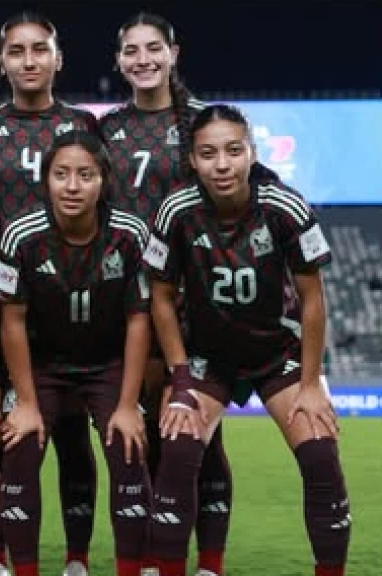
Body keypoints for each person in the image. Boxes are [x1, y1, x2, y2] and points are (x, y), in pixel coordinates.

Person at [143, 104, 351, 576]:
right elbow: (160, 298)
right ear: (193, 160)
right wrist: (179, 379)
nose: (222, 164)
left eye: (233, 151)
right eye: (208, 153)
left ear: (251, 153)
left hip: (276, 355)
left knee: (321, 452)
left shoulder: (284, 206)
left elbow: (312, 299)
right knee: (177, 450)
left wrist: (313, 382)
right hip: (208, 357)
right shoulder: (176, 211)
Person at [0, 13, 99, 575]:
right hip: (1, 305)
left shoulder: (84, 124)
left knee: (71, 435)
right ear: (2, 62)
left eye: (39, 49)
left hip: (69, 303)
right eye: (16, 51)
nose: (28, 60)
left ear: (57, 59)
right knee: (4, 437)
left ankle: (76, 558)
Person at [99, 14, 231, 576]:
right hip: (126, 293)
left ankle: (207, 561)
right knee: (147, 429)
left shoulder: (204, 121)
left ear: (174, 53)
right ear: (119, 60)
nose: (143, 59)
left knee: (199, 435)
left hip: (192, 297)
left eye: (154, 48)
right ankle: (154, 554)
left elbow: (243, 189)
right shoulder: (107, 128)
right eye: (132, 50)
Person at [0, 130, 153, 576]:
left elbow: (140, 321)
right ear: (46, 180)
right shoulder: (20, 235)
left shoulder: (130, 233)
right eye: (61, 174)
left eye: (85, 174)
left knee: (128, 447)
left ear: (103, 180)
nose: (72, 185)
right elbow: (12, 321)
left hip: (107, 365)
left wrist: (126, 404)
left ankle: (121, 567)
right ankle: (23, 568)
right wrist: (25, 403)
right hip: (42, 367)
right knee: (21, 446)